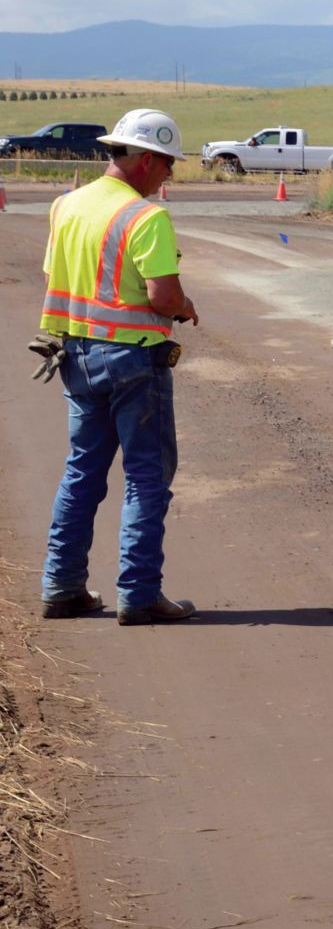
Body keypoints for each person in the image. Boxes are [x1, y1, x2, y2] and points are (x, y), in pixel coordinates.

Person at [34, 109, 199, 624]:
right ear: (146, 160)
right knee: (147, 477)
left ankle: (61, 587)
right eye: (168, 164)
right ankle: (140, 593)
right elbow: (162, 294)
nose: (169, 175)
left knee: (82, 472)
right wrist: (184, 307)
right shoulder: (145, 218)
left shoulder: (65, 205)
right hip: (131, 358)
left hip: (75, 354)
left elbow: (59, 275)